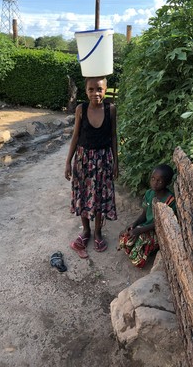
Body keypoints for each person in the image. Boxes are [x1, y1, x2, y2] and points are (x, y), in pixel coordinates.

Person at [65, 76, 118, 258]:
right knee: (83, 196)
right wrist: (68, 162)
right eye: (91, 90)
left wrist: (116, 162)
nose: (95, 93)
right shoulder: (81, 109)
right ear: (86, 91)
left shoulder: (110, 109)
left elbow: (113, 136)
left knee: (99, 197)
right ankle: (86, 231)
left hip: (103, 161)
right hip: (83, 160)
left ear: (105, 90)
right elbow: (75, 136)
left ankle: (97, 232)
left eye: (99, 89)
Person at [119, 164, 176, 268]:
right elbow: (144, 214)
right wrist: (135, 224)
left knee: (138, 246)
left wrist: (140, 230)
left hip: (160, 232)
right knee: (126, 235)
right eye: (153, 179)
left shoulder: (170, 201)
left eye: (160, 181)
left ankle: (153, 249)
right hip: (146, 226)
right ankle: (145, 246)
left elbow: (161, 224)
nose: (155, 183)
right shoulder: (149, 194)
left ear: (167, 183)